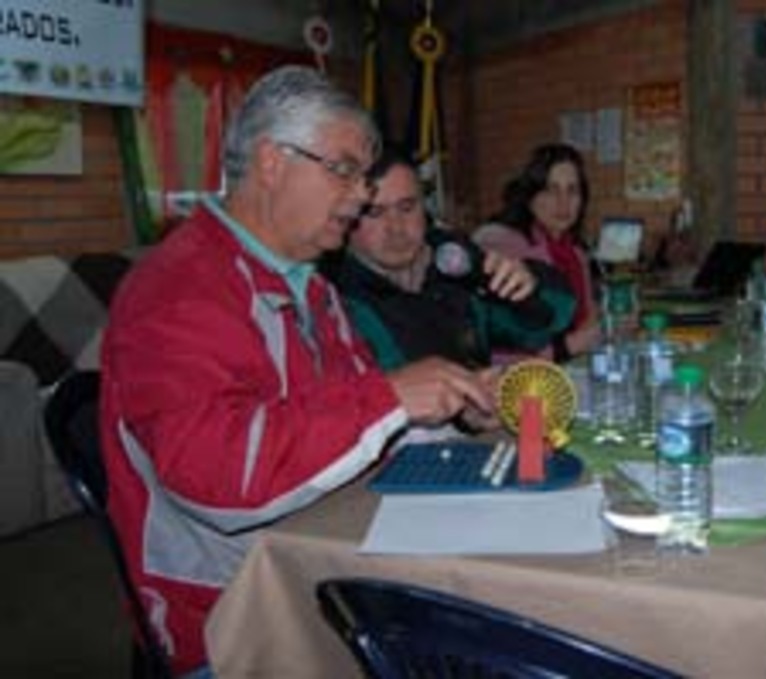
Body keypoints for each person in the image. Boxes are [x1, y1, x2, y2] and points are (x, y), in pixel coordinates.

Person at [100, 66, 493, 677]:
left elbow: (353, 422)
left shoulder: (310, 285)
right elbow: (215, 478)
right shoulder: (178, 288)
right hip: (229, 617)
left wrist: (449, 410)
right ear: (271, 162)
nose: (362, 194)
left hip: (325, 563)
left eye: (364, 176)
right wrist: (392, 398)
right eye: (344, 169)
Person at [318, 147, 576, 374]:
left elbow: (535, 330)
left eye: (407, 207)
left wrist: (529, 289)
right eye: (374, 212)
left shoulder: (456, 265)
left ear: (425, 207)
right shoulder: (328, 300)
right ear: (347, 216)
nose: (396, 228)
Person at [475, 143, 601, 362]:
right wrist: (571, 345)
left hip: (568, 369)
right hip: (512, 382)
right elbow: (495, 347)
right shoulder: (499, 243)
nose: (564, 203)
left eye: (573, 190)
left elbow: (587, 318)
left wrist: (610, 321)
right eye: (551, 190)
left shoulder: (576, 253)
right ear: (530, 196)